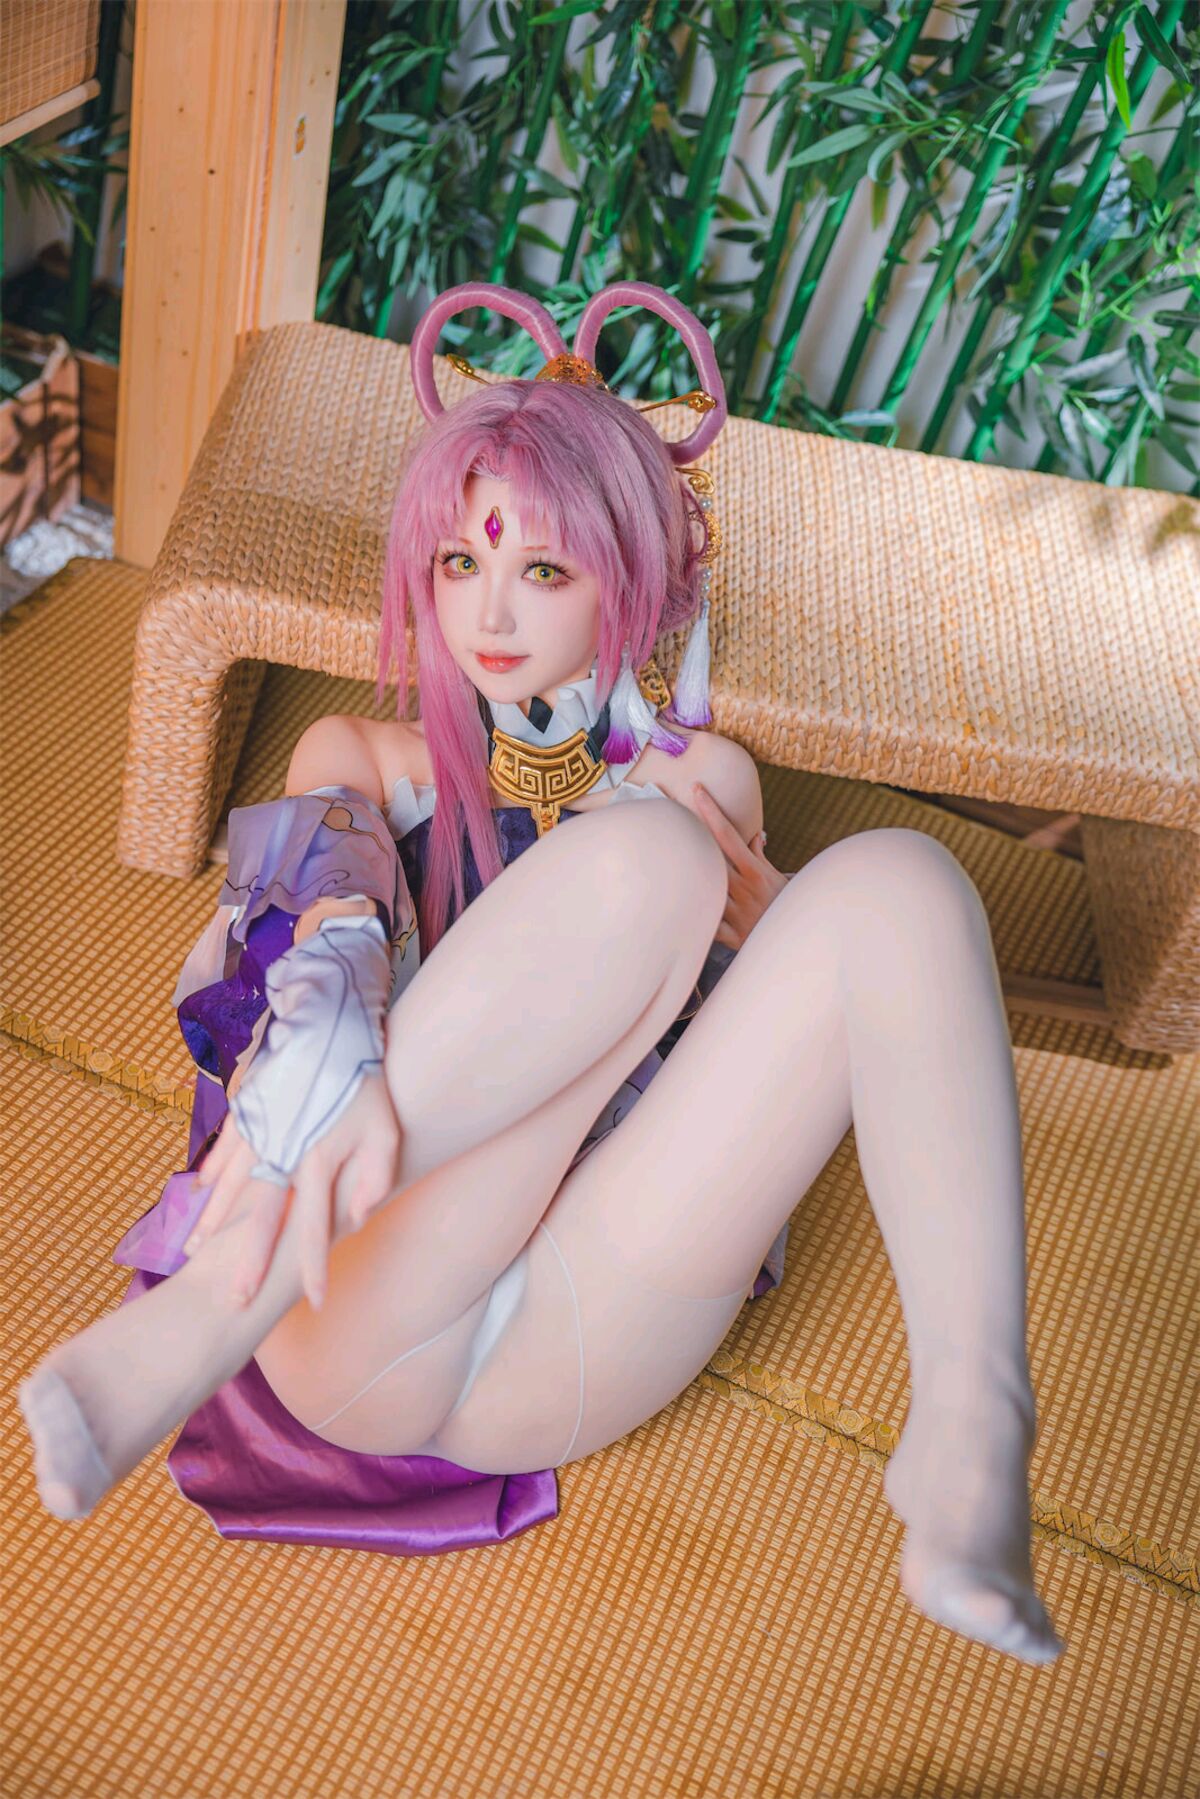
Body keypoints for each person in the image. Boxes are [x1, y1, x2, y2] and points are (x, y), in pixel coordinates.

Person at [18, 280, 1064, 1667]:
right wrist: (337, 976)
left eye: (546, 572)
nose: (491, 612)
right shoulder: (362, 756)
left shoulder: (704, 780)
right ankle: (222, 1298)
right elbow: (305, 933)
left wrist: (782, 936)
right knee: (642, 865)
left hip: (583, 1325)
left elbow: (749, 1070)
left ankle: (972, 1423)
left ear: (632, 583)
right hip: (359, 1298)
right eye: (460, 563)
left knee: (900, 881)